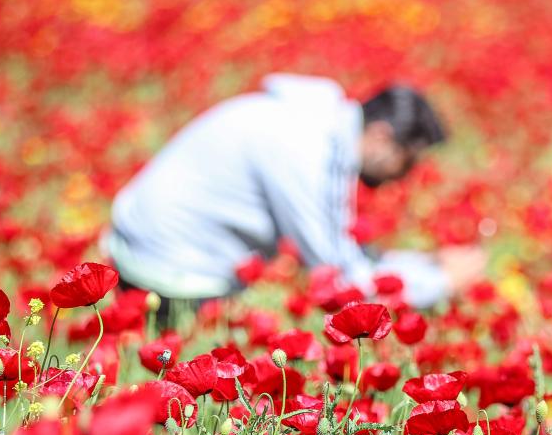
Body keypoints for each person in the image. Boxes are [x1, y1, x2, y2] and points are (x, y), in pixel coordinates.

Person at [104, 73, 485, 323]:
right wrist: (442, 283)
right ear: (382, 137)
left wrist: (424, 263)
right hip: (167, 276)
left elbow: (340, 251)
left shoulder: (314, 125)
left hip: (146, 250)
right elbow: (337, 276)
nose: (404, 176)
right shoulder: (306, 148)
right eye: (407, 161)